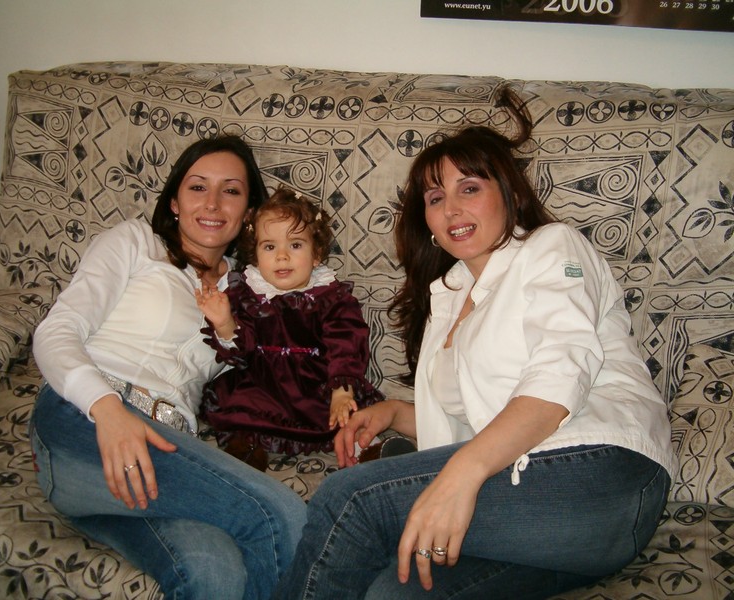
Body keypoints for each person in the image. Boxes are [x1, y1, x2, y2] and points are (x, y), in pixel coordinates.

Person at [273, 86, 677, 600]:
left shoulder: (553, 247)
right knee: (394, 592)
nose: (451, 208)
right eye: (435, 198)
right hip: (552, 526)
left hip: (602, 472)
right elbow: (477, 421)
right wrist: (396, 414)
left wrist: (462, 471)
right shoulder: (448, 296)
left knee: (352, 498)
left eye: (469, 188)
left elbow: (561, 371)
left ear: (509, 194)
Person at [29, 136, 307, 600]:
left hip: (161, 454)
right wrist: (107, 410)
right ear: (175, 202)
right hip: (86, 420)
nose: (213, 203)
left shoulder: (249, 291)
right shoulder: (136, 242)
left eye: (231, 190)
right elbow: (57, 330)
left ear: (248, 212)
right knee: (280, 513)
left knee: (214, 573)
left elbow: (268, 378)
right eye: (198, 187)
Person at [196, 187, 384, 464]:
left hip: (316, 384)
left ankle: (364, 446)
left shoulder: (330, 297)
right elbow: (242, 353)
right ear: (256, 255)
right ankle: (245, 448)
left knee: (346, 414)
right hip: (262, 383)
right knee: (238, 408)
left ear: (316, 254)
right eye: (269, 247)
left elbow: (346, 343)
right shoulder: (247, 294)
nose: (282, 256)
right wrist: (224, 322)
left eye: (295, 245)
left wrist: (341, 391)